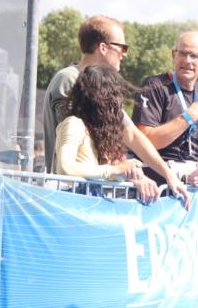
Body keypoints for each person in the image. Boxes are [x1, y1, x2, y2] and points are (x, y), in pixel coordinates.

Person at [53, 65, 189, 207]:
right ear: (100, 99)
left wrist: (135, 178)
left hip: (88, 205)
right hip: (71, 204)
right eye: (112, 98)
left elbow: (102, 173)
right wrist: (116, 169)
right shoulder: (74, 124)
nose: (117, 106)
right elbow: (65, 167)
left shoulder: (98, 133)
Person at [43, 15, 128, 172]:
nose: (125, 54)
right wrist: (115, 170)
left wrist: (129, 171)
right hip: (68, 187)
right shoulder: (68, 81)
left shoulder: (92, 127)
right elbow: (66, 166)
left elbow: (130, 134)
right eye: (123, 48)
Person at [133, 31, 198, 186]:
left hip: (192, 185)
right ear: (174, 55)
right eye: (182, 54)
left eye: (194, 56)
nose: (187, 60)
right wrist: (188, 117)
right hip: (158, 184)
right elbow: (144, 141)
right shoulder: (155, 86)